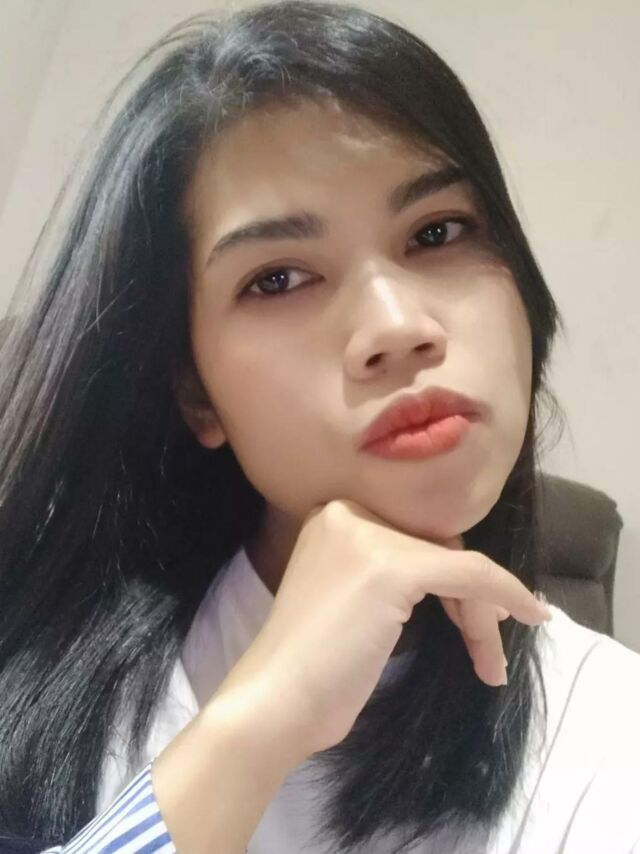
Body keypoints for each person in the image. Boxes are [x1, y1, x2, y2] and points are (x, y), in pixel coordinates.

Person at [0, 0, 638, 851]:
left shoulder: (610, 735)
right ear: (195, 392)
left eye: (438, 231)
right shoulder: (44, 687)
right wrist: (254, 729)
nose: (395, 327)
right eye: (277, 279)